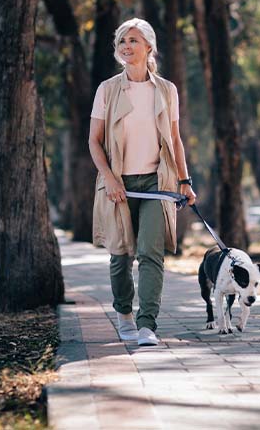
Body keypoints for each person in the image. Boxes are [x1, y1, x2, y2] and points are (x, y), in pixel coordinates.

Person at [88, 18, 197, 346]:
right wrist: (110, 179)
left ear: (149, 47)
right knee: (120, 256)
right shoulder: (107, 89)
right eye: (121, 40)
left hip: (155, 183)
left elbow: (175, 140)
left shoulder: (166, 90)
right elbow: (94, 141)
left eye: (133, 40)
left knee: (151, 254)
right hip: (118, 184)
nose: (126, 46)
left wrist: (184, 181)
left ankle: (147, 324)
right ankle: (124, 315)